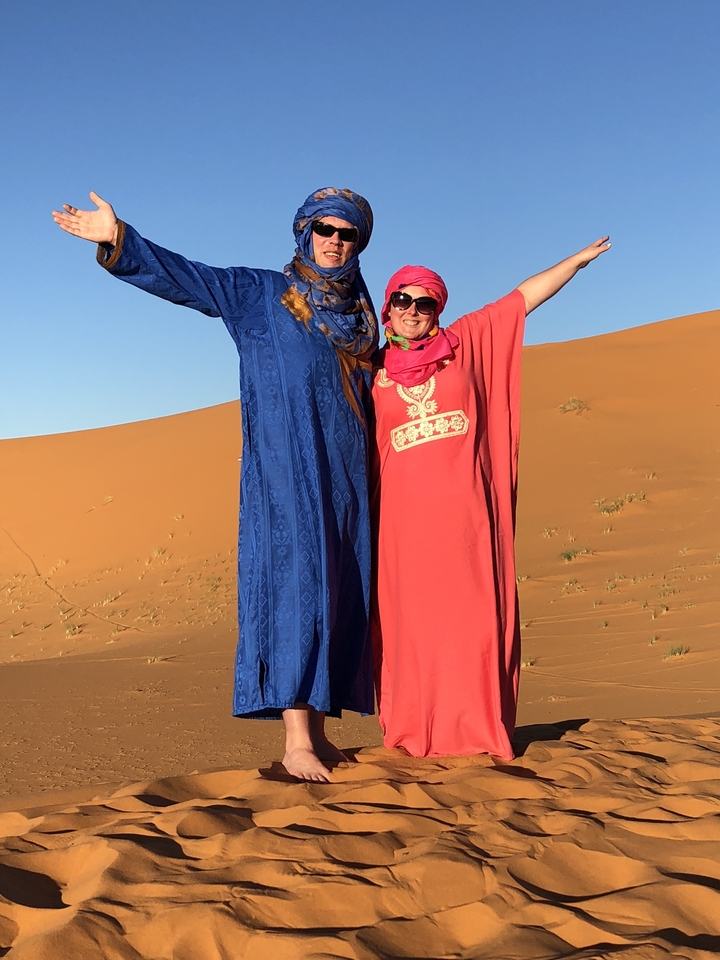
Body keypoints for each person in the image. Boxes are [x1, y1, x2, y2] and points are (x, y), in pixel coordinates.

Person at [52, 187, 378, 782]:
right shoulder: (260, 294)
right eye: (325, 229)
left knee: (340, 592)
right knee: (296, 593)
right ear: (304, 232)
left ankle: (323, 733)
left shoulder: (361, 312)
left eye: (347, 233)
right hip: (287, 474)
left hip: (350, 479)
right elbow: (190, 280)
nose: (334, 240)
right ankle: (297, 740)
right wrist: (119, 240)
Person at [371, 239, 611, 760]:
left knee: (469, 620)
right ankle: (415, 732)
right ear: (387, 306)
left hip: (465, 517)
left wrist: (575, 262)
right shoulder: (369, 367)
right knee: (412, 626)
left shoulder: (466, 342)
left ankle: (476, 727)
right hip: (402, 524)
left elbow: (522, 299)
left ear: (439, 308)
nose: (413, 311)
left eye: (425, 302)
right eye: (403, 301)